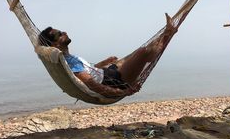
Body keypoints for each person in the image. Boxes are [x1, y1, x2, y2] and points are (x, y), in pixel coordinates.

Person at [39, 13, 176, 98]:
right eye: (59, 34)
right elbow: (94, 85)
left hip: (108, 71)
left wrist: (105, 62)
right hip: (114, 80)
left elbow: (89, 70)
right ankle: (169, 33)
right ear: (54, 45)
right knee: (142, 53)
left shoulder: (69, 58)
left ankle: (167, 33)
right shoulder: (69, 63)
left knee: (140, 52)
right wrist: (123, 92)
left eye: (61, 31)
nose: (64, 32)